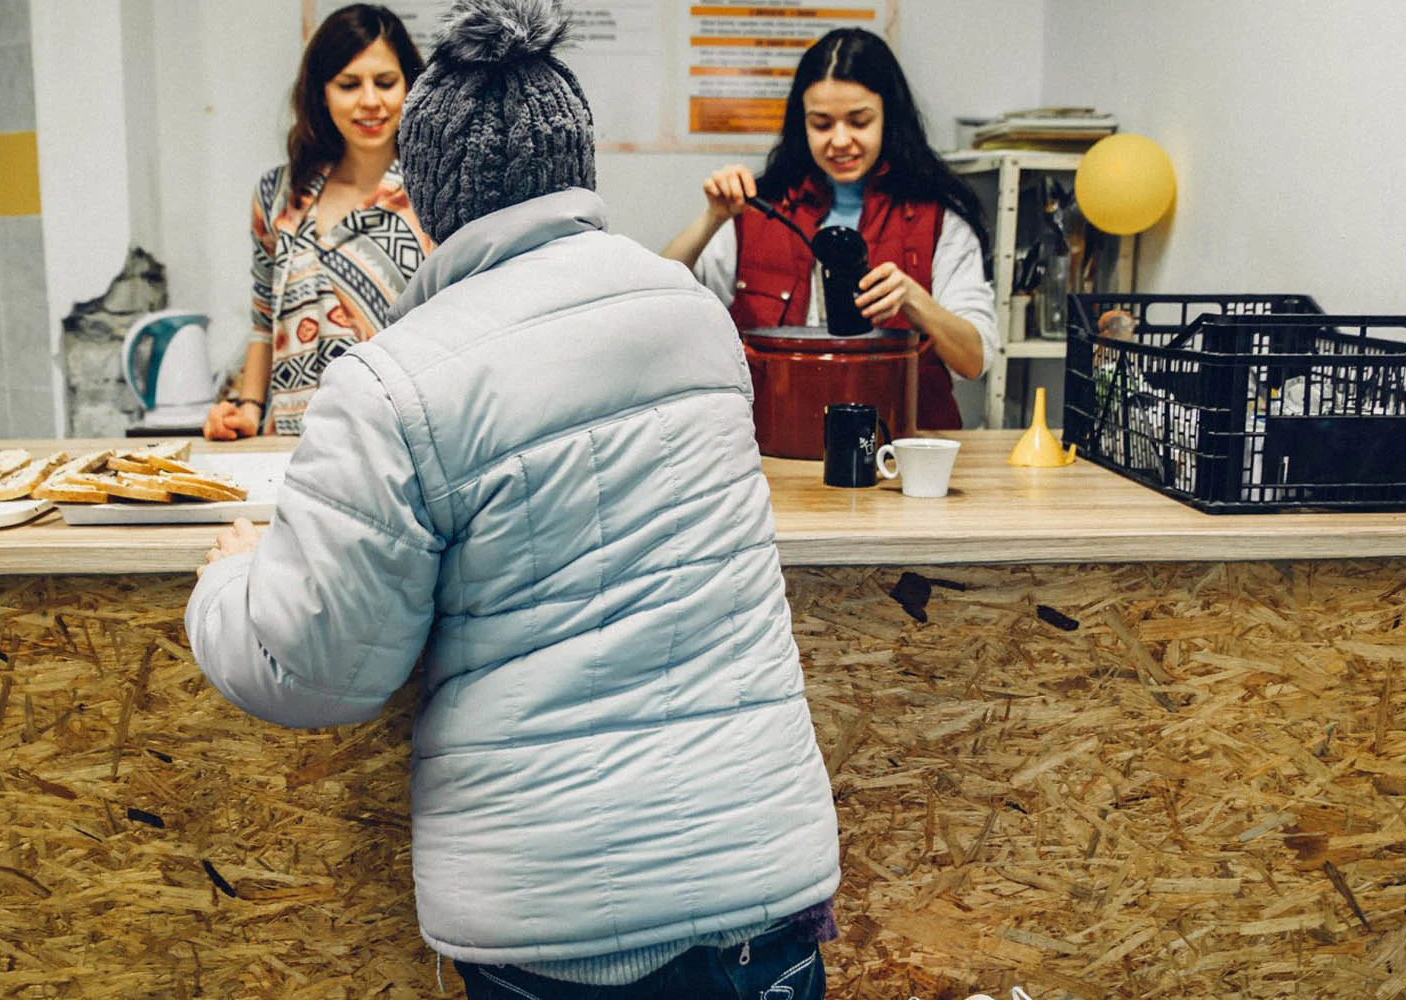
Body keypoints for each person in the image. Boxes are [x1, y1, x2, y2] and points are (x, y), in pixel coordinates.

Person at [185, 1, 839, 997]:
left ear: (424, 193)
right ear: (579, 164)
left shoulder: (393, 382)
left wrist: (228, 584)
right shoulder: (693, 317)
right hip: (763, 899)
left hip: (559, 927)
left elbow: (315, 666)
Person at [662, 28, 996, 430]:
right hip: (775, 442)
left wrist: (914, 301)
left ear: (888, 118)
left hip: (896, 445)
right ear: (801, 124)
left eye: (859, 121)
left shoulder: (938, 222)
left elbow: (974, 360)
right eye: (822, 124)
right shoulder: (754, 214)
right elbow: (659, 301)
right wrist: (712, 219)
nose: (840, 141)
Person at [203, 4, 431, 440]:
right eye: (349, 85)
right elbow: (262, 322)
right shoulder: (278, 195)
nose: (370, 101)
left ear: (410, 86)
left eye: (385, 82)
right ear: (321, 93)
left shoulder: (434, 195)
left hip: (400, 441)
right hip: (290, 442)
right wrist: (247, 409)